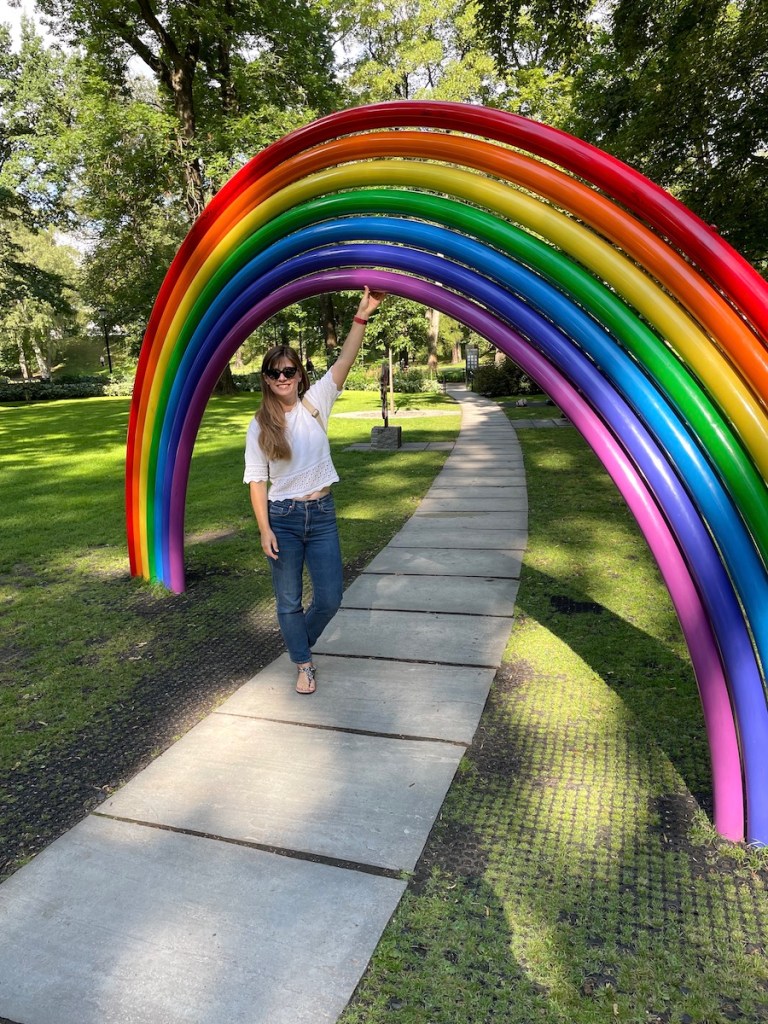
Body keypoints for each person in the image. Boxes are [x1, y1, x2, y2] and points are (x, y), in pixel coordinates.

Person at [244, 287, 386, 694]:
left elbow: (345, 359)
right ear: (267, 379)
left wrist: (362, 315)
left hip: (321, 514)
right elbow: (257, 480)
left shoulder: (317, 402)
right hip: (283, 519)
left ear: (299, 375)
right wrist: (264, 529)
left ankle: (297, 646)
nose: (283, 378)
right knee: (288, 600)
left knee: (329, 598)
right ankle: (304, 664)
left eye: (289, 371)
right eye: (275, 373)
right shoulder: (259, 425)